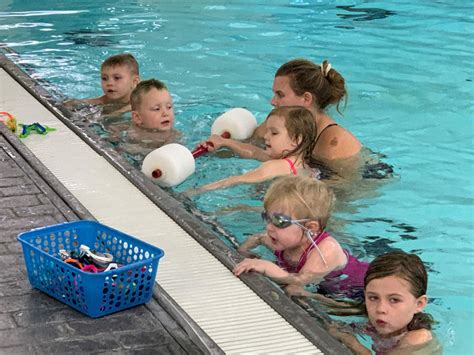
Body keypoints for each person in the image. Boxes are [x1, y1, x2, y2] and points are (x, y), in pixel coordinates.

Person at [232, 175, 368, 301]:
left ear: (310, 227)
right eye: (267, 217)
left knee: (294, 290)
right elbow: (258, 238)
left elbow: (301, 280)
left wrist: (267, 267)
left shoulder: (326, 249)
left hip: (356, 289)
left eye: (279, 221)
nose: (269, 227)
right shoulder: (281, 239)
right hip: (326, 286)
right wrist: (243, 251)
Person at [328, 250, 442, 354]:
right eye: (373, 297)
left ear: (419, 304)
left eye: (394, 300)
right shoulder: (380, 319)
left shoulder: (418, 338)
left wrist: (350, 341)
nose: (380, 309)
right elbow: (339, 308)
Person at [190, 106, 320, 194]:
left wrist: (198, 190)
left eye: (274, 133)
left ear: (296, 140)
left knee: (234, 209)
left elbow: (238, 180)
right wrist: (225, 142)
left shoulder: (276, 165)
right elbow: (255, 152)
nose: (265, 136)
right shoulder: (300, 164)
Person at [104, 78, 179, 162]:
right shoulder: (130, 126)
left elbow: (167, 157)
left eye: (169, 107)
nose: (165, 113)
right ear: (137, 118)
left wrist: (135, 149)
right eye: (157, 109)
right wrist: (114, 137)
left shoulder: (172, 136)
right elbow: (111, 128)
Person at [65, 53, 140, 117]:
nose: (109, 83)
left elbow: (138, 105)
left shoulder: (142, 97)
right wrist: (75, 102)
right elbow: (97, 101)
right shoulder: (107, 99)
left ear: (134, 81)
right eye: (104, 78)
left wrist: (119, 112)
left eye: (117, 78)